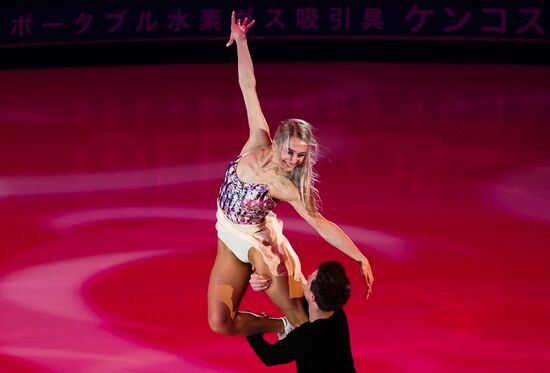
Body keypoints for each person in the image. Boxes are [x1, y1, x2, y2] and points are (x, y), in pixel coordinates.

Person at [207, 11, 374, 339]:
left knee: (302, 319)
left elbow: (320, 223)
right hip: (227, 234)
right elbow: (248, 86)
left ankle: (313, 343)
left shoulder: (285, 185)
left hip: (258, 242)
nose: (294, 160)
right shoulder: (258, 136)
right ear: (279, 140)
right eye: (290, 152)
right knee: (220, 323)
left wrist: (359, 255)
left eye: (301, 156)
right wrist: (241, 40)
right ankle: (280, 327)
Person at [246, 261, 357, 372]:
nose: (307, 277)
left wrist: (252, 333)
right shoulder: (337, 313)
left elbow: (270, 357)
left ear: (312, 297)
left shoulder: (305, 337)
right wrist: (264, 279)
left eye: (309, 279)